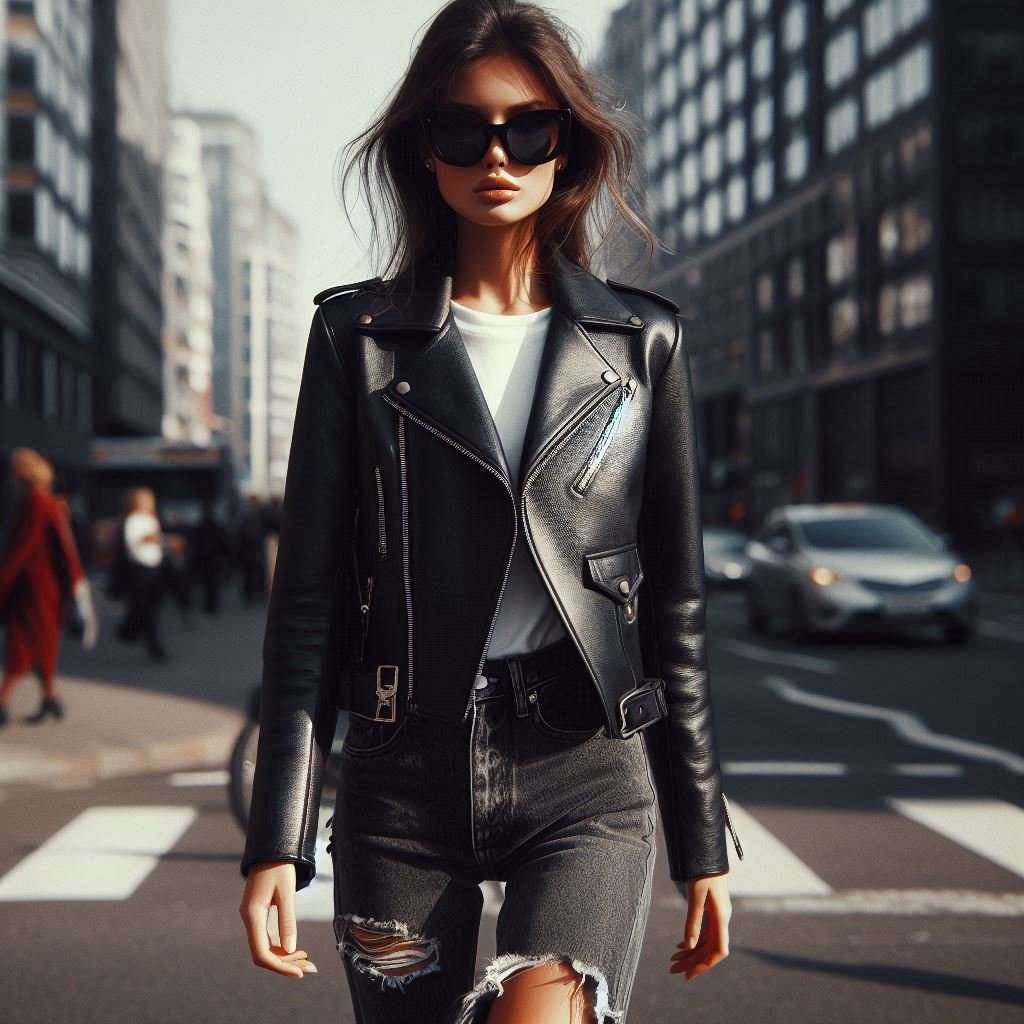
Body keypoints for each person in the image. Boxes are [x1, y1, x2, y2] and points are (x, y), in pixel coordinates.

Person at [238, 2, 744, 1021]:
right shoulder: (357, 338)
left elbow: (674, 614)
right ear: (423, 149)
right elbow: (306, 604)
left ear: (570, 143)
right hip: (397, 787)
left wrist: (700, 837)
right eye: (461, 126)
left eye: (530, 126)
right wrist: (276, 837)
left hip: (585, 777)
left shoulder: (642, 344)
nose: (496, 153)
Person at [0, 448, 98, 727]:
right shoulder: (45, 502)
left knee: (21, 645)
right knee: (41, 645)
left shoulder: (36, 503)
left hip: (33, 589)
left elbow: (21, 549)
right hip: (44, 589)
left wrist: (2, 581)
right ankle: (50, 698)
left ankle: (3, 702)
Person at [115, 487, 168, 663]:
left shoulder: (151, 518)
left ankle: (129, 631)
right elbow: (132, 544)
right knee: (146, 609)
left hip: (154, 566)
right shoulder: (132, 520)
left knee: (149, 607)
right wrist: (149, 538)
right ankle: (154, 647)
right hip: (139, 568)